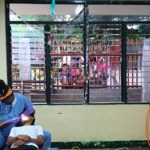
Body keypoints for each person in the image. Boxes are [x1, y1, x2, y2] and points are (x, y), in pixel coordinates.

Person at [0, 79, 51, 150]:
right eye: (1, 100)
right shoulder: (1, 102)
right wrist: (8, 122)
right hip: (2, 134)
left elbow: (31, 112)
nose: (3, 102)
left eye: (5, 100)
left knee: (47, 135)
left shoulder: (22, 99)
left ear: (10, 95)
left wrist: (28, 114)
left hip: (21, 130)